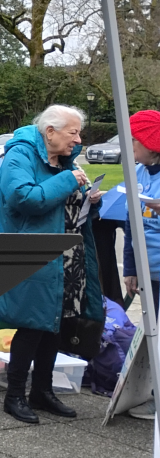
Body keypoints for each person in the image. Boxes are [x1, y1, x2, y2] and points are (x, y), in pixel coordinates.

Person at [0, 104, 104, 424]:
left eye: (79, 133)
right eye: (73, 132)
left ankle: (43, 391)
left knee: (56, 323)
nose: (78, 140)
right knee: (33, 323)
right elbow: (25, 198)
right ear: (50, 132)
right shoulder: (20, 155)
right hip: (33, 252)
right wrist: (68, 181)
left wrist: (90, 199)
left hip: (64, 255)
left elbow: (67, 204)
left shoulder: (64, 160)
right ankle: (15, 395)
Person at [120, 109, 160, 419]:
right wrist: (130, 268)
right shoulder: (137, 173)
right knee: (152, 337)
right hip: (149, 274)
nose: (130, 145)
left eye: (134, 140)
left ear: (151, 142)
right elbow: (131, 225)